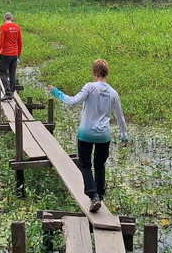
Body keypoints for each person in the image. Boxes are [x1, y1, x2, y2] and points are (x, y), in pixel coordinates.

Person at [48, 59, 128, 213]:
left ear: (93, 73)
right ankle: (100, 194)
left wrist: (56, 92)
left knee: (85, 165)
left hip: (86, 134)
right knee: (99, 165)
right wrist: (124, 136)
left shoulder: (90, 87)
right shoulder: (113, 93)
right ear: (106, 73)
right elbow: (120, 117)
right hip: (103, 136)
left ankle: (93, 195)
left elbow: (72, 102)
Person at [0, 12, 22, 101]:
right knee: (12, 73)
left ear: (4, 19)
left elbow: (0, 42)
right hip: (14, 54)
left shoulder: (2, 27)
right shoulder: (17, 27)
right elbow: (20, 42)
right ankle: (12, 92)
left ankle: (8, 92)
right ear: (12, 19)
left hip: (5, 54)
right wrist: (19, 54)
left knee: (2, 72)